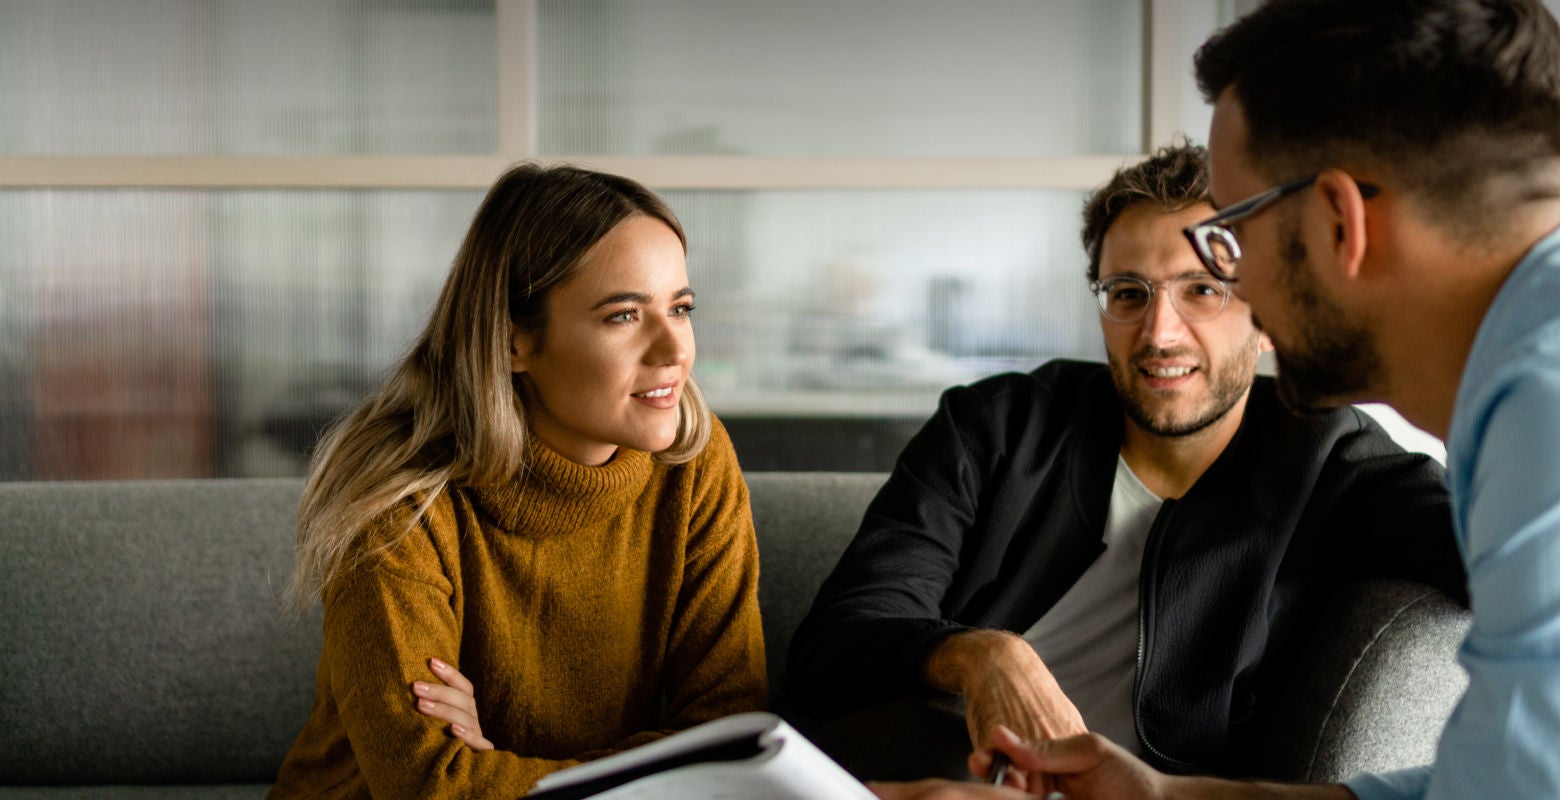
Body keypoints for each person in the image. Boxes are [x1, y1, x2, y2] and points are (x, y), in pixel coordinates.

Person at [873, 1, 1560, 798]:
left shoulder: (1536, 413)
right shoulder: (1516, 390)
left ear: (1340, 221)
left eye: (1228, 239)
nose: (1170, 328)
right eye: (1127, 292)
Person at [783, 140, 1465, 781]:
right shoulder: (997, 425)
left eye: (1203, 289)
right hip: (923, 772)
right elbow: (836, 644)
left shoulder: (1328, 459)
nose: (1159, 333)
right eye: (1128, 294)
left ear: (1266, 318)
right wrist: (984, 655)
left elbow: (1506, 556)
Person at [267, 163, 767, 798]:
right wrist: (661, 765)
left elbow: (732, 732)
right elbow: (430, 783)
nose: (675, 349)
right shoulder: (399, 500)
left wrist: (492, 768)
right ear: (511, 342)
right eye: (623, 316)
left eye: (681, 307)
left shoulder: (693, 461)